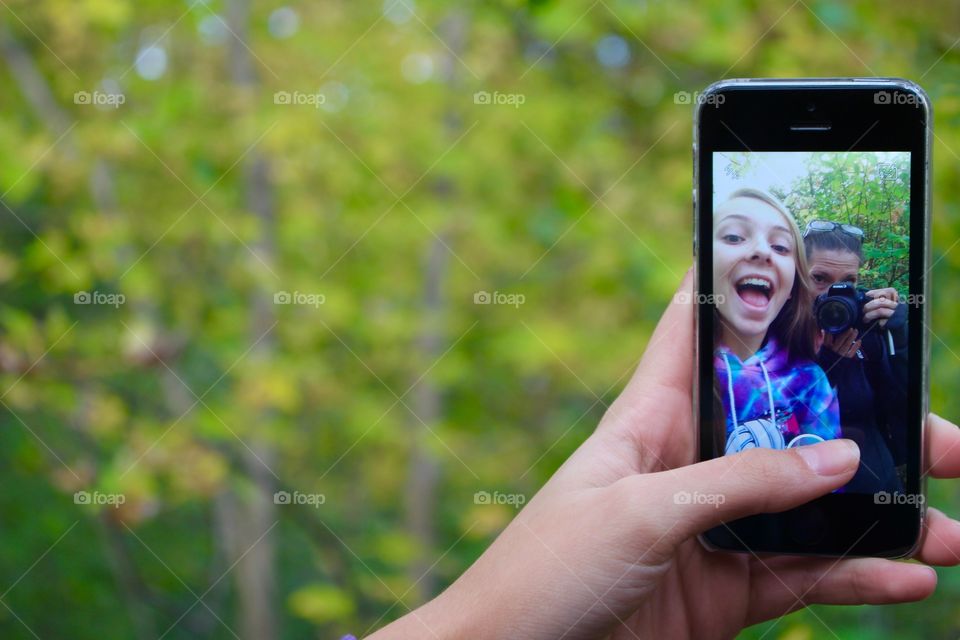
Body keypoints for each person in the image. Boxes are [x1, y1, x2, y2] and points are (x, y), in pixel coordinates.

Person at [367, 269, 960, 640]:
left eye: (848, 291)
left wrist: (890, 336)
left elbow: (894, 407)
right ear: (803, 289)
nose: (838, 302)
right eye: (824, 285)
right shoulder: (763, 356)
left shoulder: (870, 337)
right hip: (751, 522)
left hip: (865, 485)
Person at [713, 189, 840, 454]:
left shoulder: (809, 383)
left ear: (793, 285)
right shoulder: (674, 372)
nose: (761, 251)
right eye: (734, 237)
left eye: (780, 247)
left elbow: (826, 480)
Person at [804, 220, 908, 493]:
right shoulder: (777, 327)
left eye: (848, 282)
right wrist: (829, 365)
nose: (832, 295)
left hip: (876, 488)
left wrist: (899, 337)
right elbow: (780, 419)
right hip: (805, 491)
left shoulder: (864, 323)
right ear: (798, 275)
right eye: (819, 278)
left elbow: (900, 404)